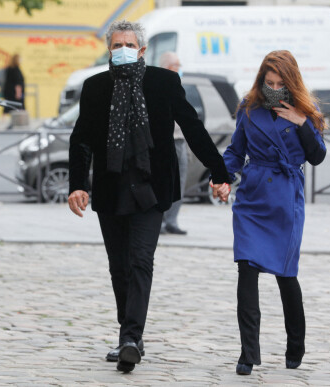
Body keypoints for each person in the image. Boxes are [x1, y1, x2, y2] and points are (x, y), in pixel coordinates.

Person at [68, 20, 231, 373]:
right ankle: (131, 336)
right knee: (119, 267)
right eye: (116, 44)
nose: (122, 49)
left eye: (129, 44)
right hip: (111, 187)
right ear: (109, 50)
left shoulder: (163, 82)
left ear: (141, 50)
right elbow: (81, 138)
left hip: (150, 186)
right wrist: (78, 184)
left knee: (141, 260)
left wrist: (219, 173)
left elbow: (192, 127)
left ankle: (129, 338)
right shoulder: (95, 87)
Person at [222, 50, 327, 376]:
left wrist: (301, 123)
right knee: (246, 270)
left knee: (286, 274)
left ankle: (295, 344)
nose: (274, 88)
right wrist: (223, 179)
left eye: (281, 83)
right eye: (269, 82)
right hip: (253, 198)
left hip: (285, 198)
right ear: (260, 80)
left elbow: (317, 157)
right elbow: (235, 151)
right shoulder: (248, 108)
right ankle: (247, 352)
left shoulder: (304, 110)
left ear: (291, 82)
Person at [158, 52, 188, 235]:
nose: (179, 68)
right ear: (168, 67)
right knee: (162, 182)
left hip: (180, 140)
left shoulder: (179, 85)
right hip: (164, 141)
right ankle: (159, 221)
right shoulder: (157, 85)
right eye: (177, 65)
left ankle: (172, 220)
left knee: (180, 182)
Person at [2, 54, 25, 128]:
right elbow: (18, 83)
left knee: (7, 108)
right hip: (14, 93)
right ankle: (20, 123)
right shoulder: (16, 70)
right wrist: (18, 93)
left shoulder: (9, 69)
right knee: (19, 107)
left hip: (8, 92)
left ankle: (5, 123)